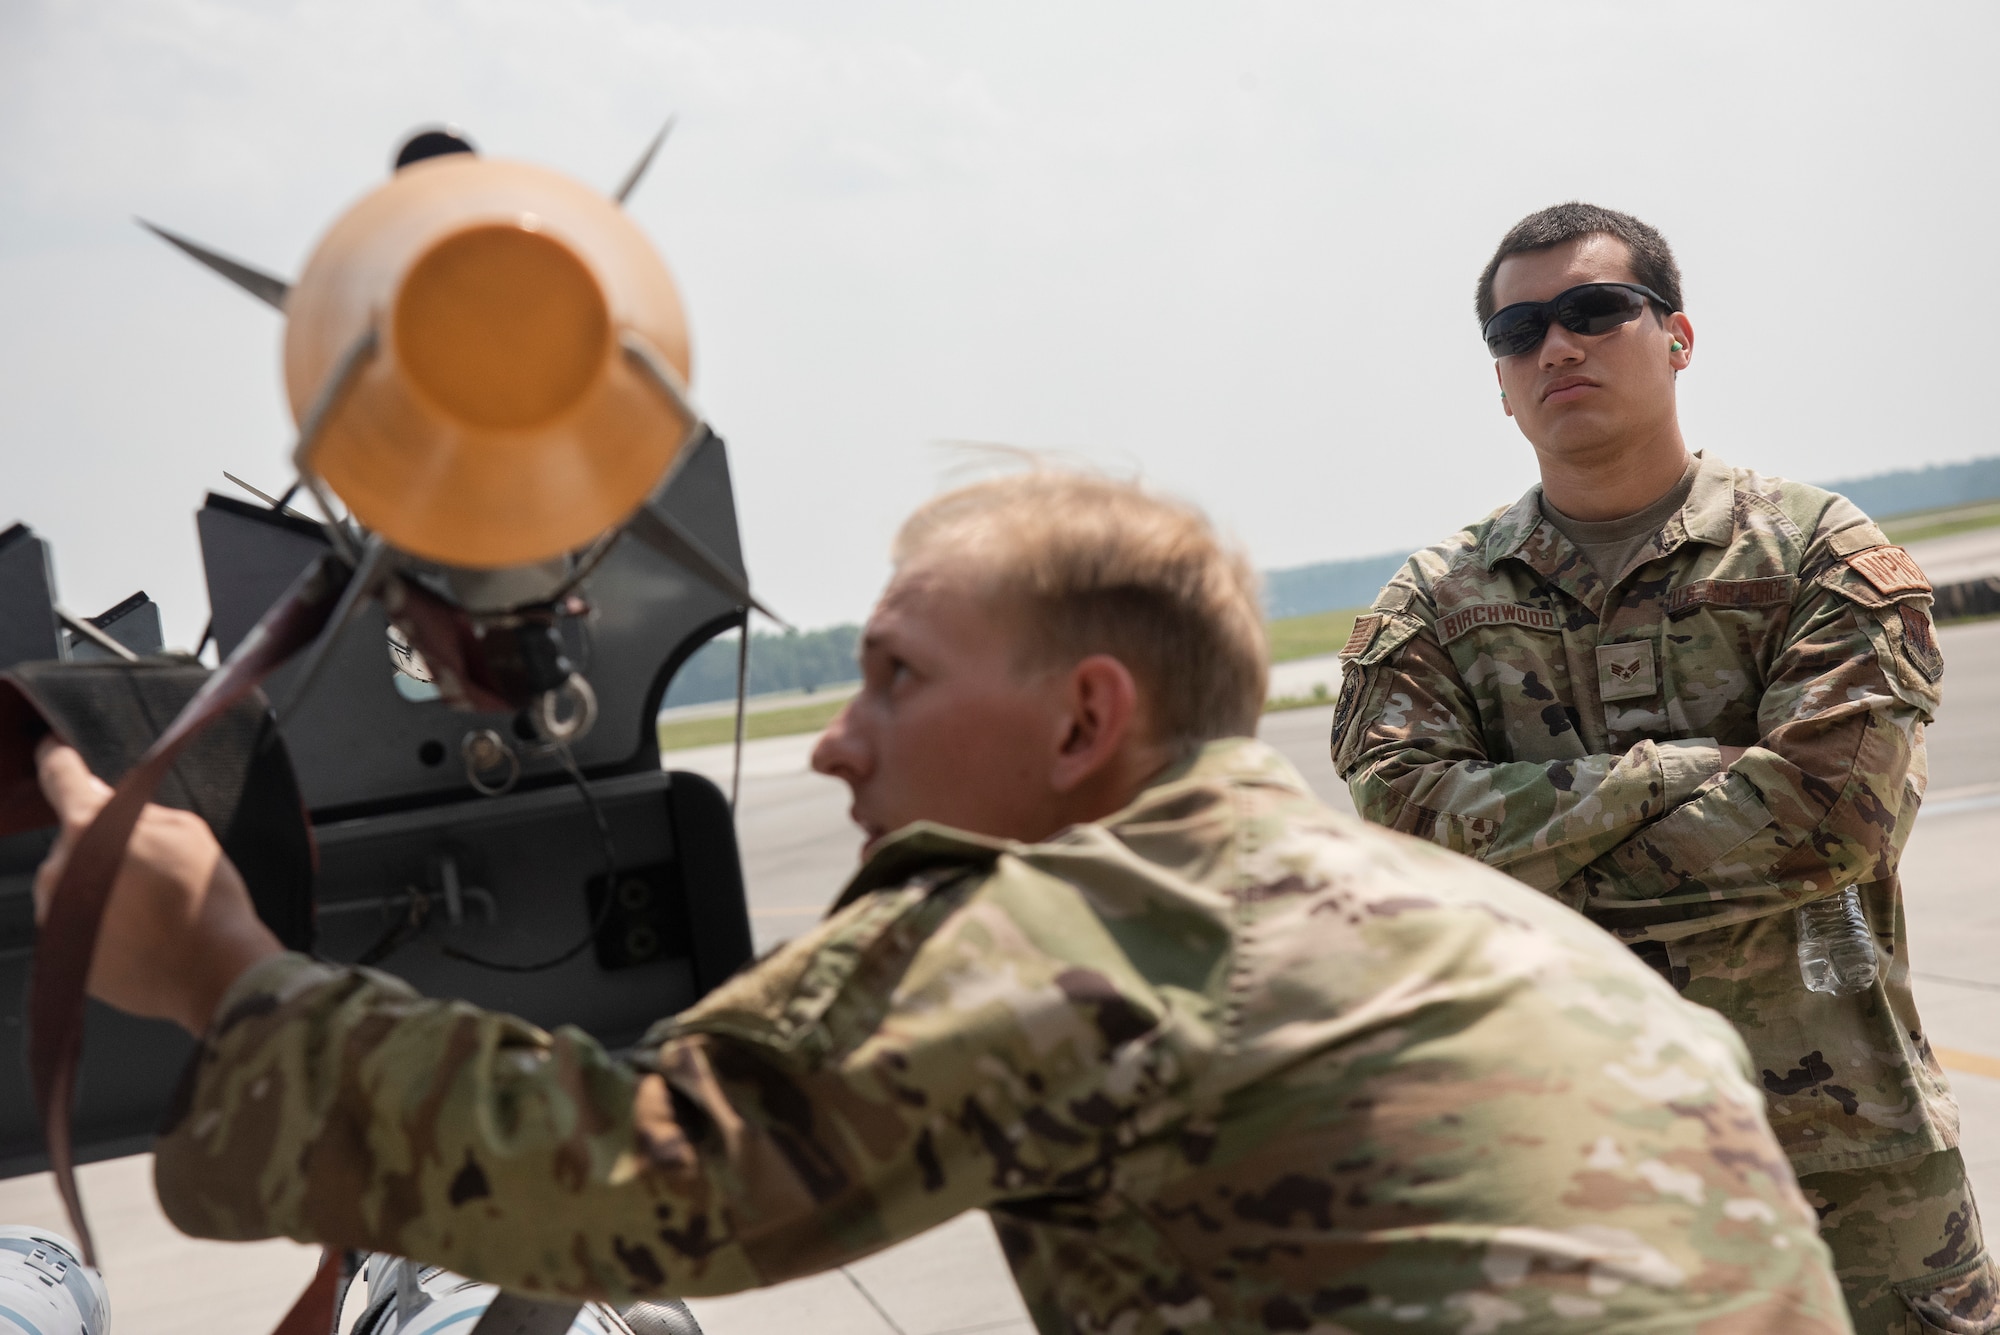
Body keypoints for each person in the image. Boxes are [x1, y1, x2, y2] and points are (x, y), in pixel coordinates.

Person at [40, 473, 1849, 1332]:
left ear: (1086, 721)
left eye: (895, 679)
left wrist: (222, 972)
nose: (838, 747)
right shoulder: (1496, 936)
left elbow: (639, 1180)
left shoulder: (1094, 911)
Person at [1331, 201, 1989, 1333]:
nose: (1556, 345)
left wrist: (1522, 858)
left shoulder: (1817, 555)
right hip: (1564, 1171)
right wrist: (1677, 779)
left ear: (1675, 336)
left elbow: (1830, 819)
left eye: (1594, 310)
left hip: (1845, 1156)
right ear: (1497, 381)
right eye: (1518, 330)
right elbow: (1401, 840)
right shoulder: (1432, 609)